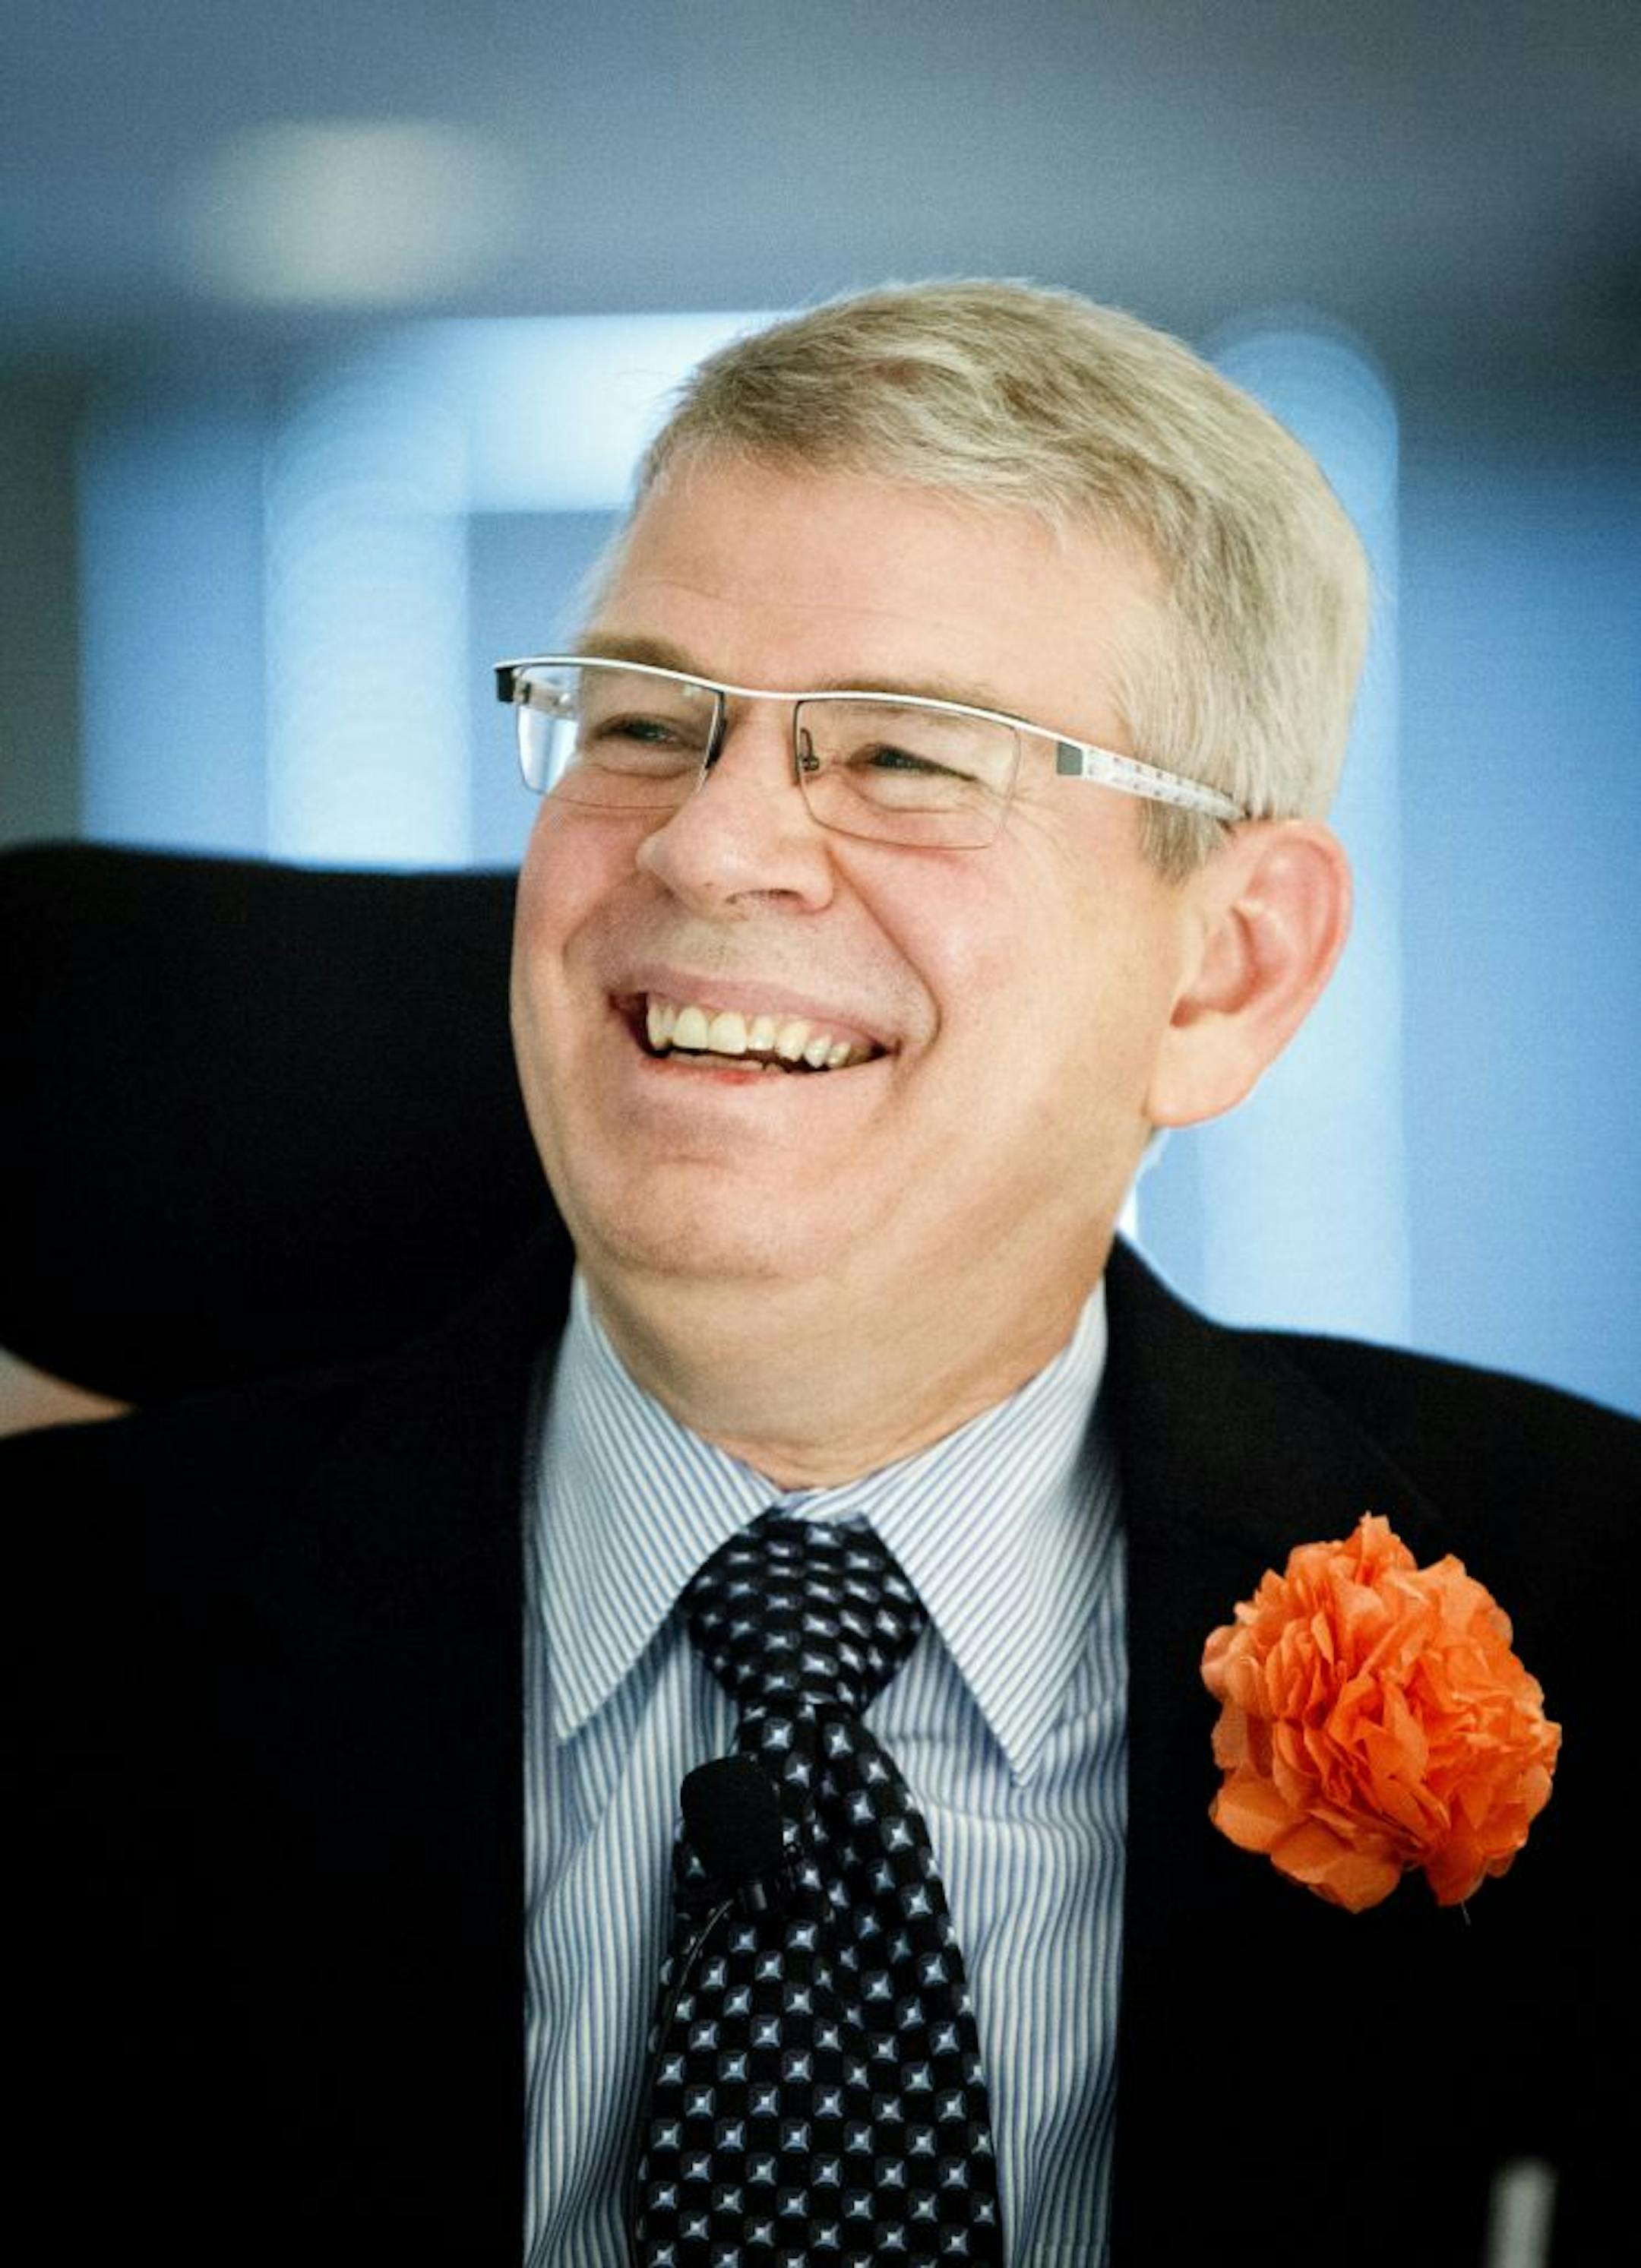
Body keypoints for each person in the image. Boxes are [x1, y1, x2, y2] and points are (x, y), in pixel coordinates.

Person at [6, 282, 1635, 2268]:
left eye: (906, 755)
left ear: (1228, 971)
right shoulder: (57, 1636)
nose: (707, 848)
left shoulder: (1600, 1603)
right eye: (637, 719)